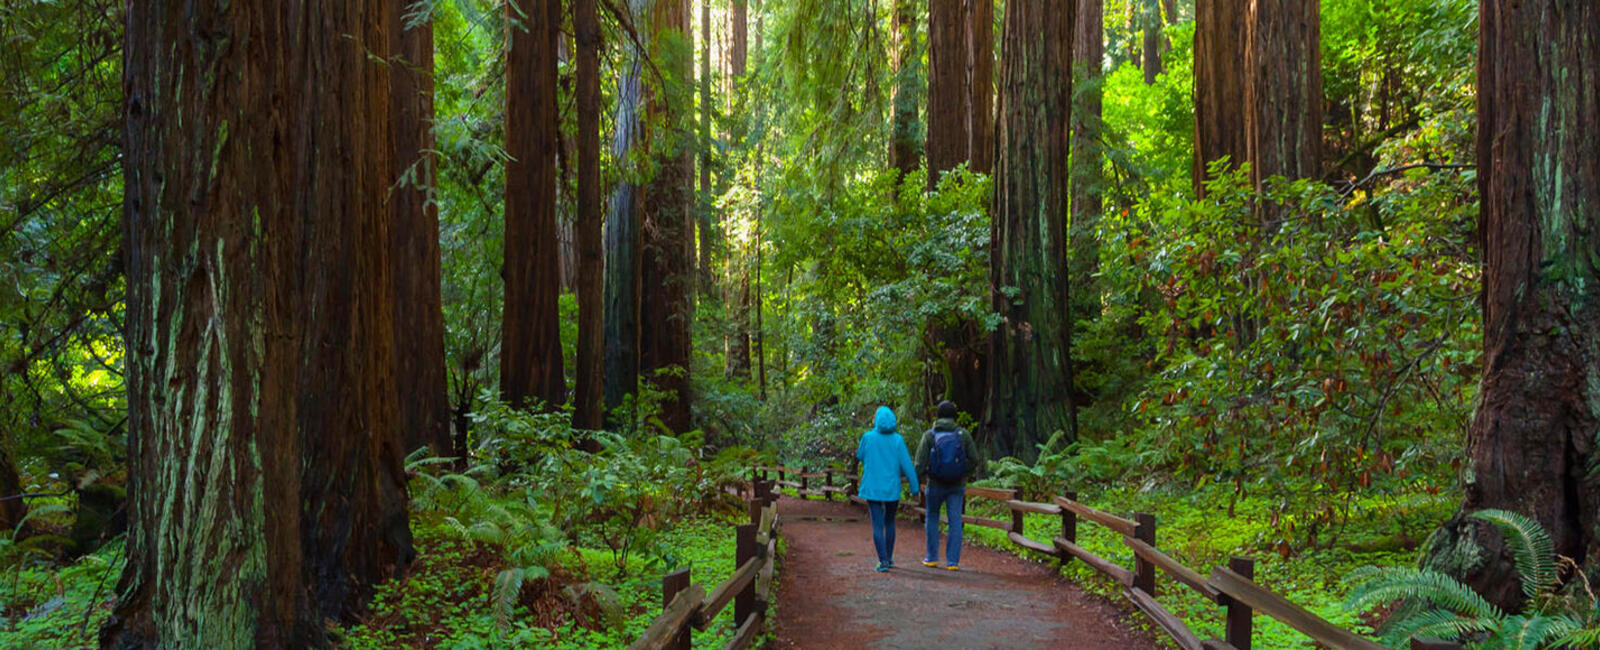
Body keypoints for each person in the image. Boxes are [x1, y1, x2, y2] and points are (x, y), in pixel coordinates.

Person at [915, 400, 978, 570]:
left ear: (938, 416)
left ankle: (932, 557)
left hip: (934, 483)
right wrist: (963, 473)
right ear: (954, 417)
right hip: (957, 485)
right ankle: (952, 562)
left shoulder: (930, 435)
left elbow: (920, 463)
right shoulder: (962, 435)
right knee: (955, 520)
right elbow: (974, 459)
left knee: (932, 517)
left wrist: (921, 477)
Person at [855, 405, 919, 572]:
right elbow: (907, 465)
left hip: (872, 488)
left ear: (875, 419)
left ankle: (882, 561)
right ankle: (888, 558)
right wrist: (915, 488)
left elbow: (859, 455)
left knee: (877, 525)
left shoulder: (867, 437)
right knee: (889, 522)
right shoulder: (897, 440)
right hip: (891, 488)